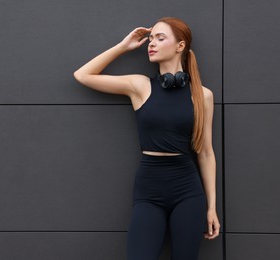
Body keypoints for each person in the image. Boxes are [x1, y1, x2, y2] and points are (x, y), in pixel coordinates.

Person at [73, 17, 220, 260]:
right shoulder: (140, 86)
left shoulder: (202, 95)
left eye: (160, 38)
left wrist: (212, 207)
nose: (151, 43)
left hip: (188, 189)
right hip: (149, 187)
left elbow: (205, 152)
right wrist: (124, 45)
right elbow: (82, 75)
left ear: (180, 46)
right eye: (151, 38)